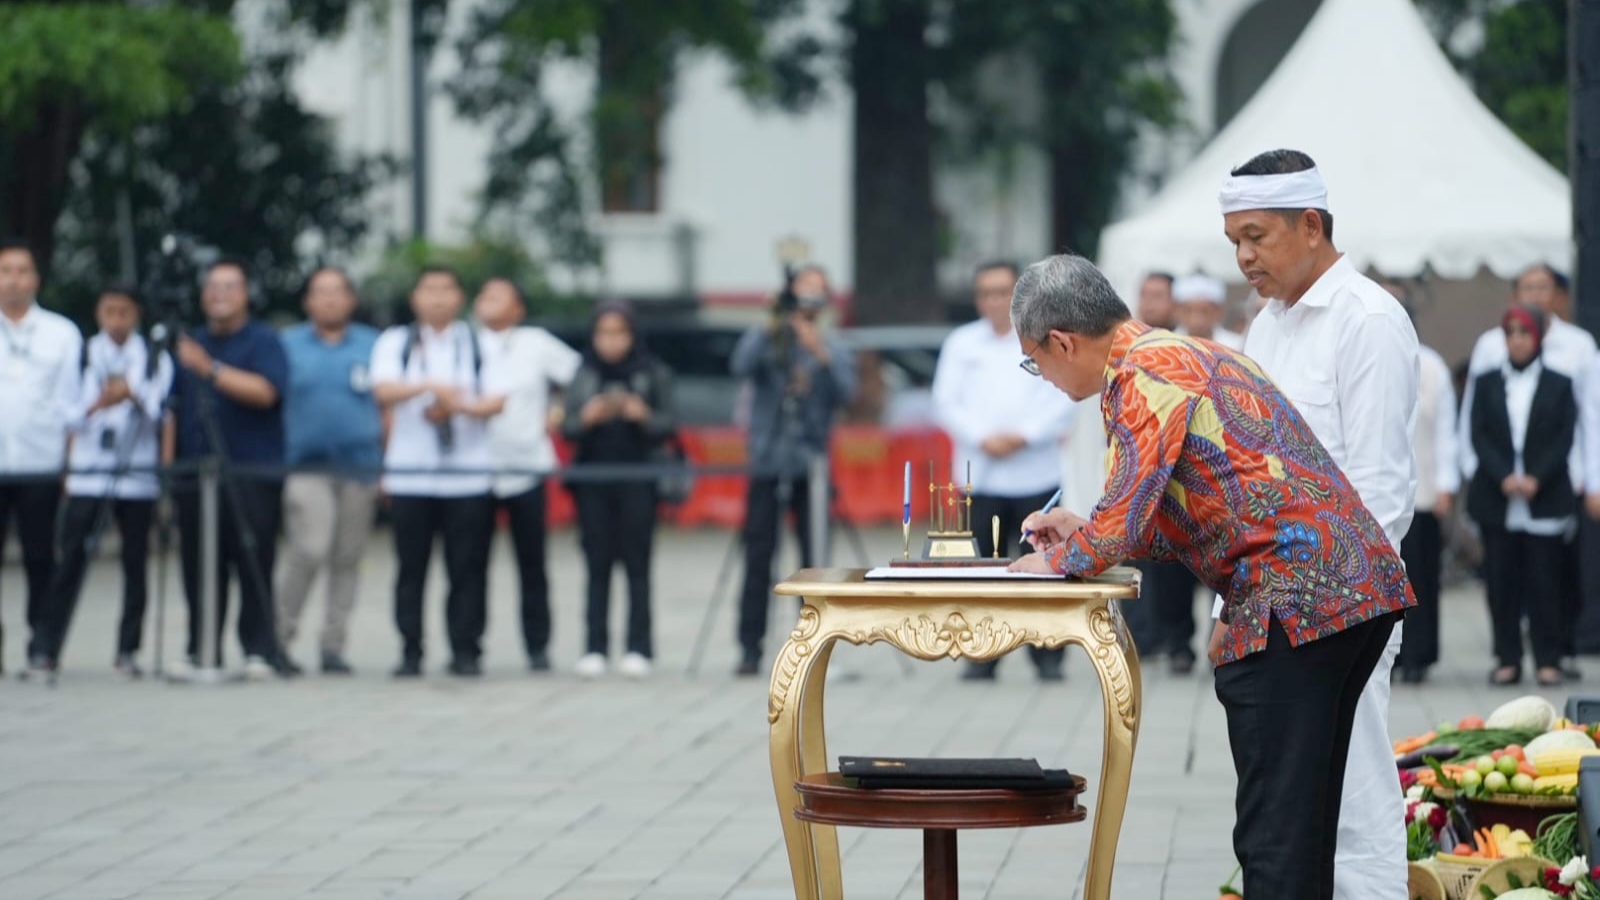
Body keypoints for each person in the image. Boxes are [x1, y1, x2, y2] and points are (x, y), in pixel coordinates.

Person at [1006, 253, 1412, 900]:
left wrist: (1051, 562)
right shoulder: (1189, 352)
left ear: (1063, 340)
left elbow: (1125, 525)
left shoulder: (1139, 376)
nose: (1045, 377)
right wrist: (1087, 530)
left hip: (1294, 601)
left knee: (1273, 833)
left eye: (1037, 361)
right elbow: (1194, 510)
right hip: (1355, 588)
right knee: (1303, 821)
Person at [1215, 150, 1417, 900]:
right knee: (1284, 808)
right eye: (1234, 239)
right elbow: (1245, 480)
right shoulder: (1265, 327)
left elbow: (1383, 493)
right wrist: (1228, 605)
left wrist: (1325, 609)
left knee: (1354, 796)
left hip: (1342, 609)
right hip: (1266, 607)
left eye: (1257, 236)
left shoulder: (1368, 320)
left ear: (1311, 224)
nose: (1244, 257)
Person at [932, 260, 1073, 681]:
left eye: (1003, 292)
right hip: (982, 475)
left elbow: (1065, 396)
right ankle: (982, 655)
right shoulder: (962, 343)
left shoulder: (1043, 337)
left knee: (1043, 567)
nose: (995, 301)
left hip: (1037, 473)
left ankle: (1047, 655)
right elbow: (945, 401)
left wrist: (1026, 435)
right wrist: (982, 436)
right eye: (987, 293)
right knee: (982, 570)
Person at [1460, 264, 1593, 679]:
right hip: (1499, 491)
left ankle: (1549, 657)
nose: (1517, 340)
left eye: (1525, 333)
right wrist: (1500, 474)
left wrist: (1541, 476)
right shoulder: (1486, 375)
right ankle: (1507, 657)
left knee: (1547, 580)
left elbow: (1570, 431)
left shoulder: (1561, 376)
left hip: (1546, 489)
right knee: (1501, 580)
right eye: (1511, 333)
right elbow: (1476, 430)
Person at [371, 267, 503, 678]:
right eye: (429, 289)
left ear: (460, 297)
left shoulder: (480, 342)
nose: (438, 298)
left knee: (468, 568)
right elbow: (382, 391)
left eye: (447, 289)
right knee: (411, 568)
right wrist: (431, 386)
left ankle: (466, 650)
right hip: (411, 473)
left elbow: (497, 401)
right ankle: (411, 650)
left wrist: (456, 406)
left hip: (468, 475)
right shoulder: (396, 342)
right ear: (415, 298)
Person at [167, 258, 292, 680]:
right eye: (212, 286)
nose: (219, 293)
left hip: (252, 472)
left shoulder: (263, 340)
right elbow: (171, 409)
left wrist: (211, 369)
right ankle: (202, 648)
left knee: (253, 557)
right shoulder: (189, 343)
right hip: (195, 475)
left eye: (230, 286)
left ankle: (259, 649)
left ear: (245, 294)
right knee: (199, 564)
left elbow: (266, 392)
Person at [731, 263, 856, 676]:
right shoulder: (769, 338)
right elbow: (741, 365)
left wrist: (818, 351)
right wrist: (772, 323)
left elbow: (848, 392)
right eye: (801, 291)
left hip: (812, 466)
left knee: (815, 560)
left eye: (816, 291)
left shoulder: (832, 344)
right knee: (757, 555)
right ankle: (750, 649)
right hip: (768, 459)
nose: (808, 299)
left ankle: (814, 649)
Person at [44, 286, 173, 678]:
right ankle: (46, 648)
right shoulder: (82, 352)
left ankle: (127, 650)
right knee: (71, 561)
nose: (117, 319)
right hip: (89, 472)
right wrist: (100, 402)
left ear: (136, 315)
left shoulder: (153, 356)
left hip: (136, 474)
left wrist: (131, 395)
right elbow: (64, 414)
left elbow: (161, 413)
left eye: (125, 312)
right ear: (99, 313)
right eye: (109, 311)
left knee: (135, 563)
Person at [275, 268, 382, 676]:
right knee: (310, 547)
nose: (330, 300)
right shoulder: (288, 345)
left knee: (347, 557)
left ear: (351, 300)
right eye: (321, 293)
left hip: (360, 466)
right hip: (304, 465)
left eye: (338, 292)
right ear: (308, 301)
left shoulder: (372, 345)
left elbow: (385, 403)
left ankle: (333, 645)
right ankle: (280, 637)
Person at [562, 299, 676, 679]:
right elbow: (567, 428)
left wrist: (641, 414)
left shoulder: (653, 371)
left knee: (638, 563)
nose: (611, 342)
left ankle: (638, 647)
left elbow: (669, 424)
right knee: (596, 564)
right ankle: (594, 646)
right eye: (604, 333)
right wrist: (587, 416)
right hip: (593, 480)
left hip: (639, 478)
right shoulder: (582, 373)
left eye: (619, 333)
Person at [473, 277, 581, 672]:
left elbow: (579, 375)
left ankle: (538, 646)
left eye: (498, 295)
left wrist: (557, 409)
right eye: (483, 295)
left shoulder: (536, 342)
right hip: (476, 469)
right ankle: (469, 647)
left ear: (517, 309)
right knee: (471, 564)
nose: (488, 301)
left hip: (527, 465)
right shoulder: (464, 343)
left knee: (532, 562)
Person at [0, 239, 82, 678]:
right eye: (5, 270)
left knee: (39, 558)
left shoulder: (61, 333)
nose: (13, 279)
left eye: (21, 270)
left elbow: (71, 407)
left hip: (41, 463)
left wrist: (69, 465)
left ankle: (41, 646)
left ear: (35, 278)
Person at [1384, 281, 1458, 684]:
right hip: (1377, 492)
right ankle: (1387, 656)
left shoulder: (1431, 366)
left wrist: (1447, 482)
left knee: (1422, 576)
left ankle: (1420, 655)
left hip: (1425, 490)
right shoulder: (1366, 358)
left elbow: (1447, 428)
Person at [1173, 273, 1244, 350]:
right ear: (1177, 310)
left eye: (1204, 312)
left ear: (1218, 311)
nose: (1196, 319)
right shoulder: (1167, 345)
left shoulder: (1237, 345)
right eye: (1188, 311)